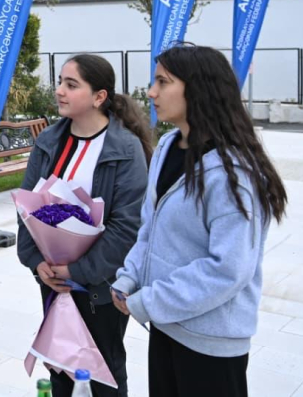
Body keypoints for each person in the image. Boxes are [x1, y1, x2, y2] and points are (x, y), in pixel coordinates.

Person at [112, 45, 287, 397]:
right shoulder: (166, 148)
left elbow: (228, 269)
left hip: (211, 343)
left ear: (198, 89)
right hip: (166, 325)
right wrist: (130, 277)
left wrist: (149, 301)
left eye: (163, 82)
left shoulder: (234, 173)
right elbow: (150, 228)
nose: (151, 92)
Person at [16, 54, 152, 397]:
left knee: (103, 373)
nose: (59, 91)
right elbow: (28, 207)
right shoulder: (49, 141)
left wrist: (77, 271)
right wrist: (37, 262)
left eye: (71, 84)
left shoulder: (125, 148)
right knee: (60, 366)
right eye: (60, 82)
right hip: (53, 281)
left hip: (99, 287)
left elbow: (127, 226)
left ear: (99, 96)